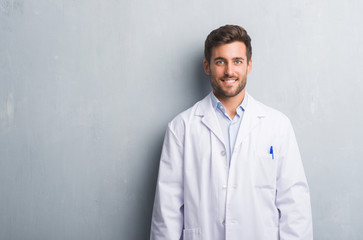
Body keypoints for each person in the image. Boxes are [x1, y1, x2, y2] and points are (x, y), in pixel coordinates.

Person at [150, 25, 313, 240]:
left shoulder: (278, 126)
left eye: (237, 61)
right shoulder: (181, 128)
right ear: (207, 66)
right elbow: (167, 212)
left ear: (249, 65)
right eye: (220, 62)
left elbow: (295, 208)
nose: (229, 71)